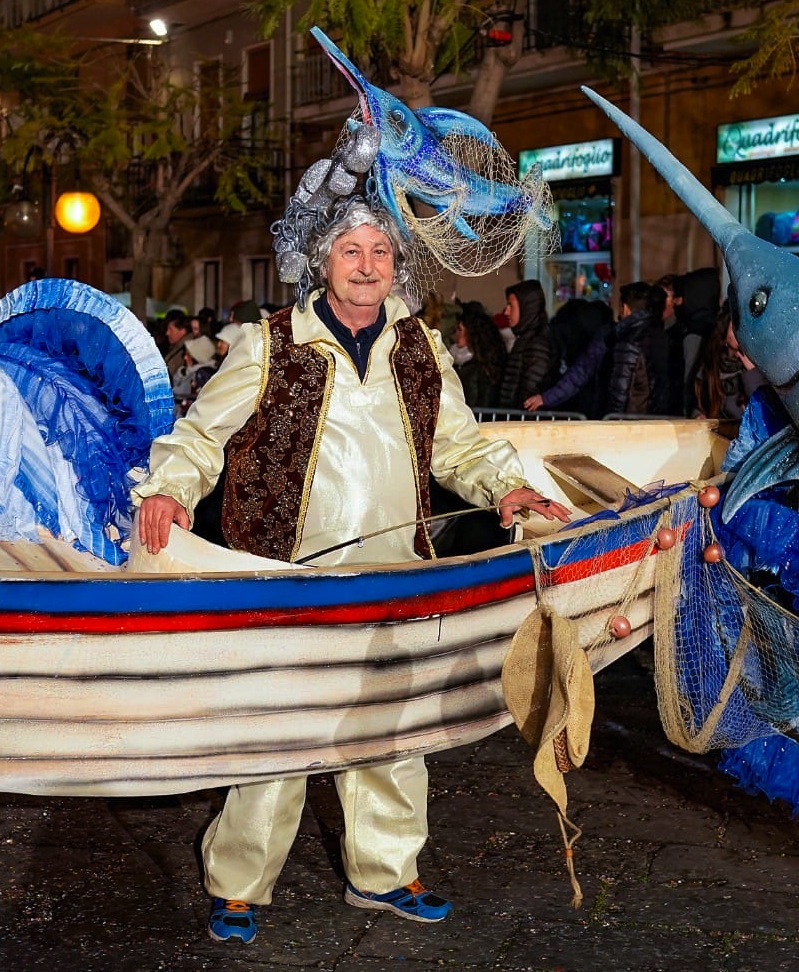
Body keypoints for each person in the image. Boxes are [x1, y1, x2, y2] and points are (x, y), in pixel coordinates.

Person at [132, 196, 570, 945]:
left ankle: (386, 873)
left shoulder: (420, 347)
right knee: (275, 735)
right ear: (321, 262)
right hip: (284, 578)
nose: (367, 266)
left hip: (395, 575)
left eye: (379, 252)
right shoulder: (268, 341)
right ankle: (237, 884)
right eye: (350, 251)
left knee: (392, 730)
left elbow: (457, 446)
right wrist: (171, 487)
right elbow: (204, 434)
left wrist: (508, 488)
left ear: (396, 264)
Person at [525, 298, 612, 418]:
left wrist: (546, 398)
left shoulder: (597, 338)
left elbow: (579, 373)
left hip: (578, 404)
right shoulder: (607, 335)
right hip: (592, 407)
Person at [605, 281, 669, 416]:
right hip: (657, 416)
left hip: (632, 418)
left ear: (626, 308)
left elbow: (620, 389)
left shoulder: (630, 338)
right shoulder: (660, 332)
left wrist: (613, 418)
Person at [497, 279, 556, 410]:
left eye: (510, 306)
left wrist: (516, 417)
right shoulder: (524, 339)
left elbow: (530, 390)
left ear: (526, 308)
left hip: (522, 424)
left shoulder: (537, 343)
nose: (506, 312)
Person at [449, 300, 507, 408]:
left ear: (471, 333)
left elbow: (485, 400)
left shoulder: (483, 366)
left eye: (460, 330)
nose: (456, 334)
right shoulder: (455, 362)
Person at [171, 334, 218, 417]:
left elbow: (178, 394)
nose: (185, 358)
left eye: (188, 355)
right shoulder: (188, 372)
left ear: (197, 358)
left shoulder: (200, 376)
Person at [161, 309, 191, 381]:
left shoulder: (186, 350)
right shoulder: (177, 347)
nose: (167, 333)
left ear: (182, 331)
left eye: (170, 329)